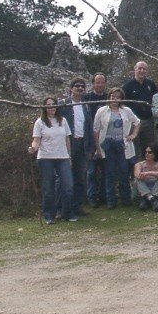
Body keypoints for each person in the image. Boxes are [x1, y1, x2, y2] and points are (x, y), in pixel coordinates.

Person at [30, 96, 75, 224]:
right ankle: (49, 215)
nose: (51, 108)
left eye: (53, 105)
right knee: (48, 189)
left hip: (62, 157)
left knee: (68, 186)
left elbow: (67, 139)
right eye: (48, 105)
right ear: (44, 108)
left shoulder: (63, 120)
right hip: (46, 158)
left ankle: (67, 213)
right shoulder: (40, 122)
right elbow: (36, 140)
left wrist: (69, 156)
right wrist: (33, 148)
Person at [94, 88, 141, 209]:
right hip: (107, 145)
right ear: (109, 97)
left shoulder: (126, 111)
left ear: (121, 99)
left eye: (117, 97)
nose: (115, 99)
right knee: (109, 173)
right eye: (113, 96)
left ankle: (126, 198)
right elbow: (96, 130)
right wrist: (98, 149)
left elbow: (137, 122)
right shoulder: (101, 111)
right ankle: (111, 200)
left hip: (122, 145)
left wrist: (133, 135)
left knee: (123, 172)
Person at [60, 77, 94, 216]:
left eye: (82, 86)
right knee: (63, 177)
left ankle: (77, 207)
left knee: (80, 177)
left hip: (82, 145)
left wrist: (90, 148)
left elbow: (89, 127)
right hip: (68, 144)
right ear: (71, 88)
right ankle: (61, 209)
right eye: (77, 86)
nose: (80, 88)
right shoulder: (63, 105)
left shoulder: (85, 106)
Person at [82, 73, 109, 208]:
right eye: (97, 82)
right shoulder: (86, 98)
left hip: (105, 138)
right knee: (91, 172)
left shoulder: (108, 98)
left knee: (105, 170)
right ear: (93, 83)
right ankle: (92, 197)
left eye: (102, 82)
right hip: (90, 138)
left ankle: (104, 196)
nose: (100, 85)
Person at [122, 61, 158, 153]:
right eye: (140, 68)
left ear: (147, 71)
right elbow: (122, 104)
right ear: (135, 70)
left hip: (148, 122)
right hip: (133, 123)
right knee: (133, 147)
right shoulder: (127, 86)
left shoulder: (150, 84)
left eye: (144, 69)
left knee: (148, 148)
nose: (142, 71)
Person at [134, 143, 158, 211]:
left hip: (157, 190)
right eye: (146, 152)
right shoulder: (139, 164)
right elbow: (137, 174)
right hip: (143, 189)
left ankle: (147, 199)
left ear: (155, 153)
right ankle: (151, 199)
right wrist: (142, 176)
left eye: (150, 152)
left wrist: (149, 173)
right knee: (137, 179)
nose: (147, 154)